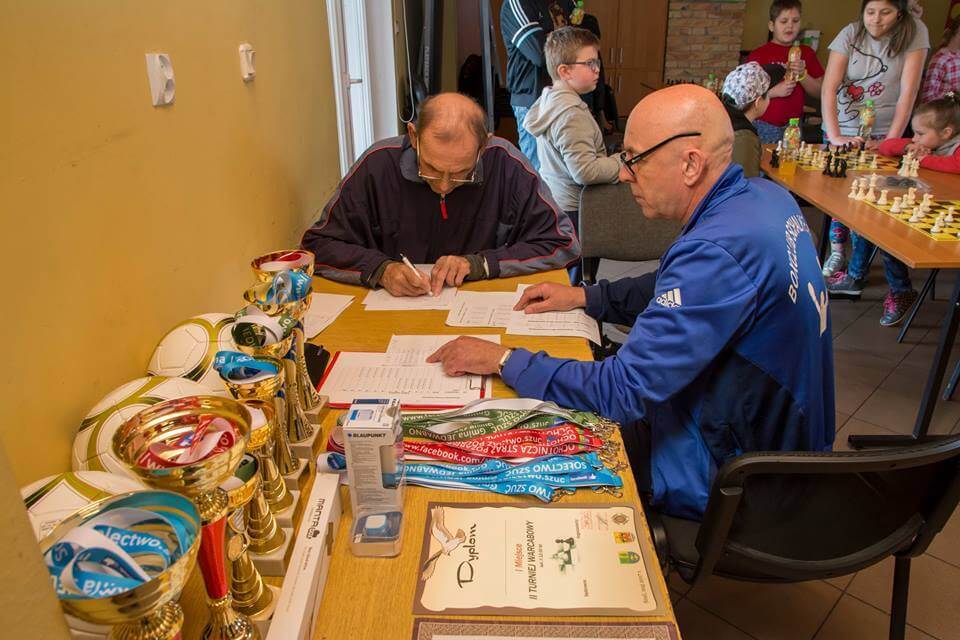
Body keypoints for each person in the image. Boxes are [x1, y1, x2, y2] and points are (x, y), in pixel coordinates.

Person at [427, 85, 835, 520]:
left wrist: (503, 359)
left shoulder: (717, 252)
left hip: (734, 477)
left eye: (635, 159)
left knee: (526, 445)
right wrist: (588, 296)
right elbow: (678, 286)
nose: (623, 174)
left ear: (691, 164)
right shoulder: (762, 198)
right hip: (776, 441)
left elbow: (620, 392)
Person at [300, 93, 580, 297]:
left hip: (481, 308)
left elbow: (563, 242)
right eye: (431, 169)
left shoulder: (507, 165)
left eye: (461, 172)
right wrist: (380, 270)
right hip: (392, 313)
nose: (444, 186)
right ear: (413, 136)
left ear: (483, 146)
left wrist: (481, 264)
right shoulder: (378, 165)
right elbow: (318, 245)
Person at [820, 0, 929, 327]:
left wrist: (891, 142)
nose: (876, 20)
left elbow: (908, 93)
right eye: (870, 12)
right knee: (848, 209)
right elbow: (829, 88)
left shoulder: (915, 32)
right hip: (843, 132)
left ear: (900, 12)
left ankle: (898, 287)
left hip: (883, 133)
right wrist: (835, 135)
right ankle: (854, 275)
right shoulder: (850, 33)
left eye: (885, 12)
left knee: (876, 215)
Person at [523, 26, 620, 253]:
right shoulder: (571, 115)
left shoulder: (550, 100)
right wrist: (620, 162)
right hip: (575, 210)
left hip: (556, 201)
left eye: (597, 62)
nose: (597, 69)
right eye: (590, 63)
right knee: (578, 270)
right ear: (565, 71)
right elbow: (585, 171)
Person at [500, 0, 574, 170]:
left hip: (564, 96)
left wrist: (550, 37)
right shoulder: (517, 3)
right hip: (533, 100)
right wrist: (565, 40)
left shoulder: (564, 2)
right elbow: (538, 53)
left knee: (564, 172)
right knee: (537, 173)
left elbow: (579, 45)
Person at [746, 0, 825, 144]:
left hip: (794, 126)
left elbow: (822, 92)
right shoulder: (758, 55)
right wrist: (772, 92)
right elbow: (745, 95)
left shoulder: (806, 53)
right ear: (771, 26)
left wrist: (803, 75)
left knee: (791, 158)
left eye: (795, 21)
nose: (790, 26)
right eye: (784, 21)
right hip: (763, 124)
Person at [721, 62, 785, 177]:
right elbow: (745, 183)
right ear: (758, 102)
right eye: (768, 95)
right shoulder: (744, 137)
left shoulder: (722, 119)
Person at [878, 93, 960, 172]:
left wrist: (922, 159)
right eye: (914, 133)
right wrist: (907, 147)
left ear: (945, 133)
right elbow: (885, 145)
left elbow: (957, 165)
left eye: (920, 134)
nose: (914, 139)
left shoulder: (957, 146)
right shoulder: (922, 143)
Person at [920, 18, 960, 103]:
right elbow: (928, 98)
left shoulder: (958, 55)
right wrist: (954, 94)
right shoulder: (941, 60)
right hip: (943, 111)